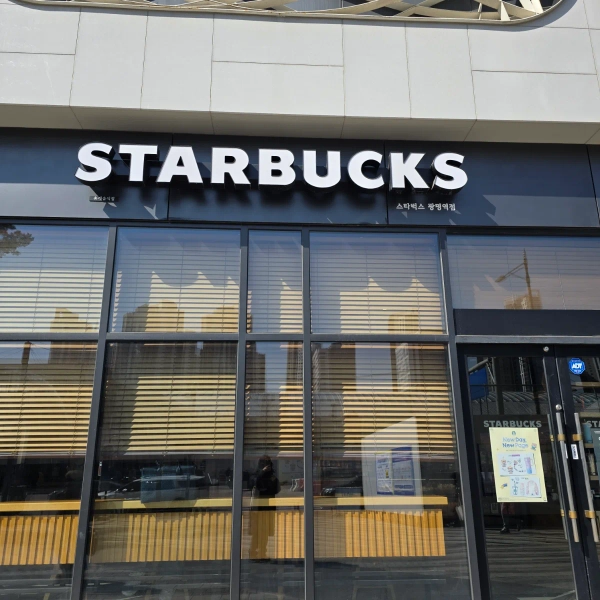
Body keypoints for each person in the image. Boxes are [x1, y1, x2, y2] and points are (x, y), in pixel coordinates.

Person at [249, 456, 280, 560]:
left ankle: (262, 552)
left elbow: (277, 489)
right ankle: (253, 553)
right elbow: (253, 483)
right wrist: (262, 472)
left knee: (265, 532)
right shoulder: (256, 475)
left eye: (268, 463)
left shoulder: (272, 476)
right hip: (257, 508)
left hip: (268, 507)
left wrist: (271, 478)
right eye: (265, 463)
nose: (267, 466)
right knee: (256, 532)